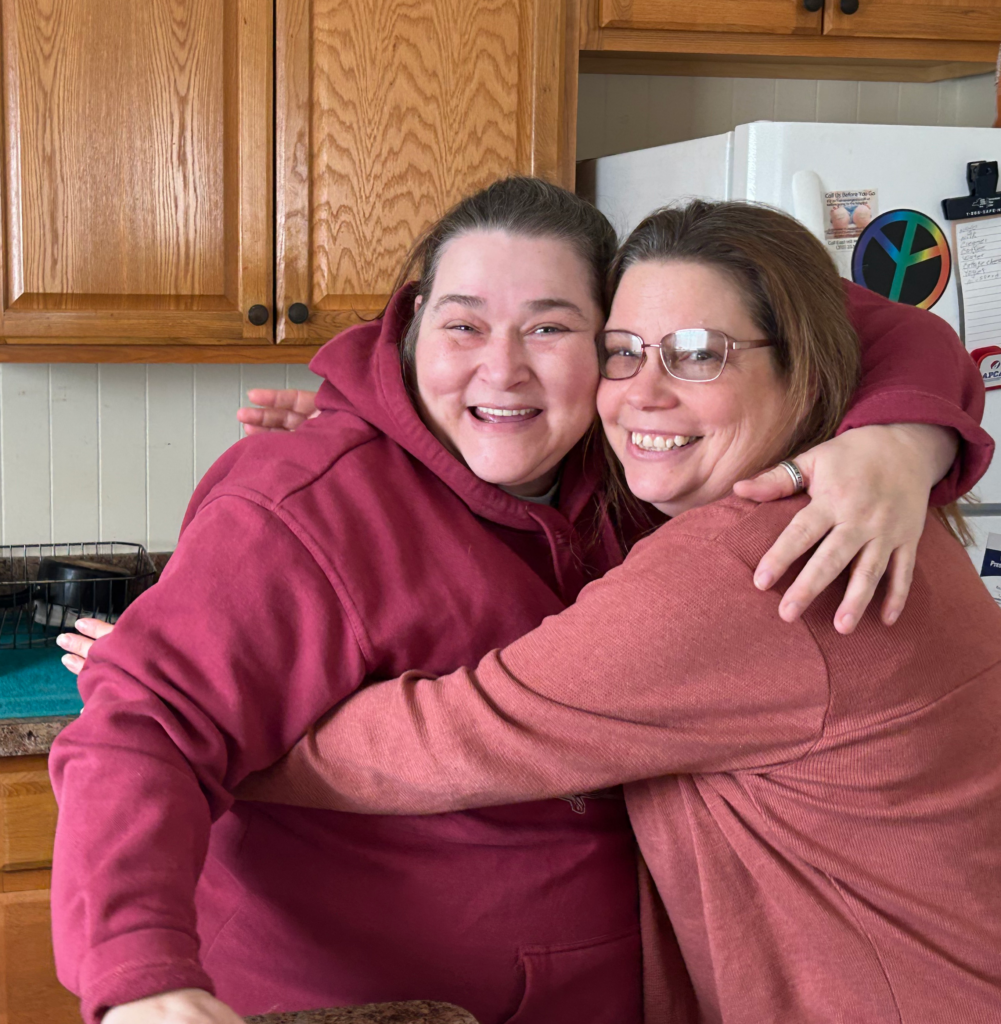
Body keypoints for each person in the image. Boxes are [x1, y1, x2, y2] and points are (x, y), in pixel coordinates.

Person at [49, 178, 990, 1024]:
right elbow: (139, 737)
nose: (500, 370)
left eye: (550, 328)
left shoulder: (661, 477)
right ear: (411, 326)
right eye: (462, 326)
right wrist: (140, 977)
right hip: (386, 1006)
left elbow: (856, 317)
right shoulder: (301, 501)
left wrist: (902, 438)